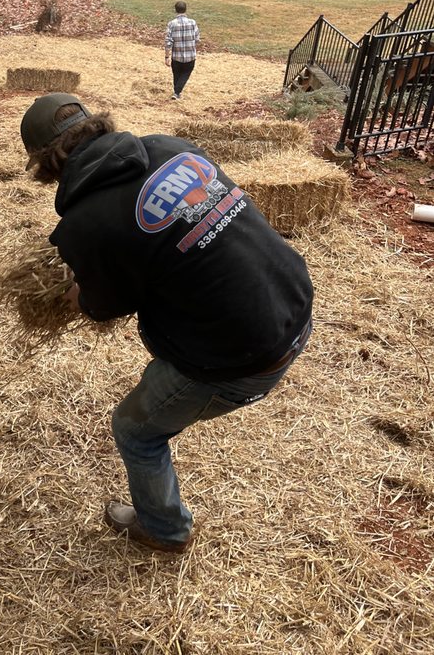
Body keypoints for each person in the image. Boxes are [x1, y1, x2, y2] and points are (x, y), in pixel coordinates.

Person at [20, 92, 313, 554]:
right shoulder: (172, 148)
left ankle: (164, 530)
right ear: (97, 124)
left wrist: (77, 293)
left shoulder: (84, 225)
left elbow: (102, 307)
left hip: (245, 354)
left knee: (135, 431)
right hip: (294, 300)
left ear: (44, 165)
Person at [165, 1, 199, 101]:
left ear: (175, 10)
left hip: (176, 56)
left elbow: (168, 42)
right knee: (185, 73)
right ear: (185, 9)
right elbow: (197, 38)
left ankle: (176, 92)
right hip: (190, 56)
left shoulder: (171, 24)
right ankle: (177, 92)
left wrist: (167, 56)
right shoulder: (193, 23)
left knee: (177, 74)